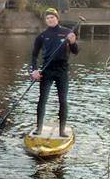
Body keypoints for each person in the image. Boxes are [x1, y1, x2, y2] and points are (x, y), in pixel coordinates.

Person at [30, 7, 79, 136]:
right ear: (45, 20)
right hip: (47, 70)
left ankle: (62, 130)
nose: (50, 20)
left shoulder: (67, 32)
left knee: (63, 100)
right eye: (47, 18)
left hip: (62, 71)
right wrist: (34, 70)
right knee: (42, 99)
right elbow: (34, 55)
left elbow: (75, 51)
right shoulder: (42, 36)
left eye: (52, 17)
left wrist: (73, 42)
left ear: (57, 18)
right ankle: (39, 128)